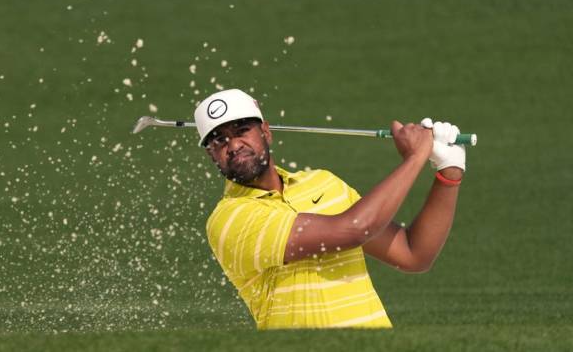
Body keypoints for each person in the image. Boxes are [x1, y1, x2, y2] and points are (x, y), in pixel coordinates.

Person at [195, 89, 466, 329]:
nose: (233, 146)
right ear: (210, 154)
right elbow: (354, 229)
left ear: (266, 131)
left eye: (241, 130)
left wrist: (449, 174)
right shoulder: (229, 219)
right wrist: (416, 156)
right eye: (218, 140)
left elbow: (413, 254)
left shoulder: (323, 183)